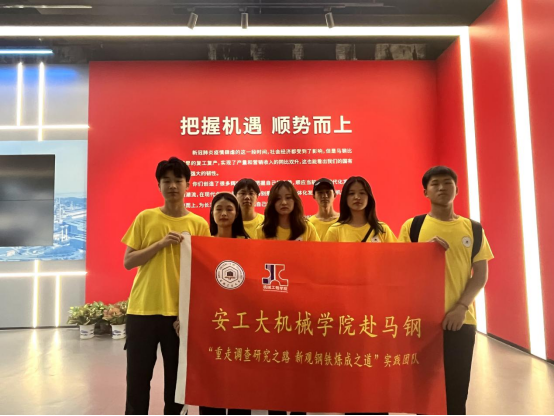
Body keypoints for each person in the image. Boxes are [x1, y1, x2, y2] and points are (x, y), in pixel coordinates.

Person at [398, 166, 494, 416]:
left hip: (460, 321)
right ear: (425, 192)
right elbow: (399, 269)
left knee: (456, 391)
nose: (441, 188)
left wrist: (461, 307)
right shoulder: (413, 226)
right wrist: (423, 252)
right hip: (421, 322)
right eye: (435, 184)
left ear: (457, 189)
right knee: (423, 392)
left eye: (447, 183)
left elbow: (480, 274)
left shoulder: (473, 229)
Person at [122, 157, 210, 416]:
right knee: (137, 381)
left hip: (178, 316)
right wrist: (159, 244)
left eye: (178, 181)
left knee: (177, 384)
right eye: (166, 181)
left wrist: (191, 314)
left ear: (188, 185)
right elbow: (129, 261)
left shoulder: (199, 224)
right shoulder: (145, 218)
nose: (172, 186)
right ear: (158, 185)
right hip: (142, 311)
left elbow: (203, 273)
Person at [198, 193, 251, 416]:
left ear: (237, 213)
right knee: (211, 375)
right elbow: (195, 284)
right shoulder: (202, 245)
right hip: (212, 321)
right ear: (211, 213)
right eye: (219, 209)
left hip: (241, 322)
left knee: (240, 376)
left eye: (229, 209)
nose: (223, 213)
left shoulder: (248, 245)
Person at [324, 176, 397, 244]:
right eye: (351, 193)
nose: (357, 197)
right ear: (345, 198)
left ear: (369, 197)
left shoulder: (382, 229)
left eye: (362, 193)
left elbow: (395, 253)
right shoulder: (335, 230)